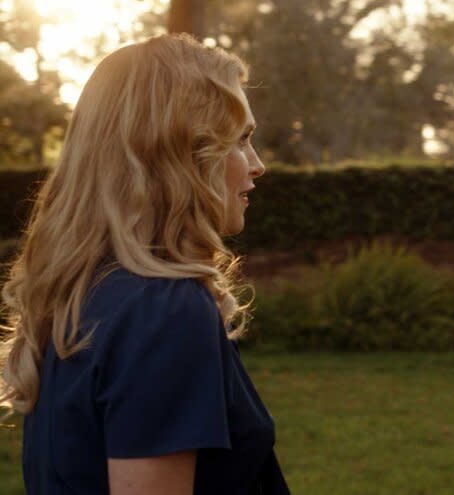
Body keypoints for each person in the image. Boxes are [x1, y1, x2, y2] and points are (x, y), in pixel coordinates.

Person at [0, 34, 291, 494]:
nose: (256, 166)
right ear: (179, 153)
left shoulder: (82, 295)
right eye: (241, 140)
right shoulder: (164, 309)